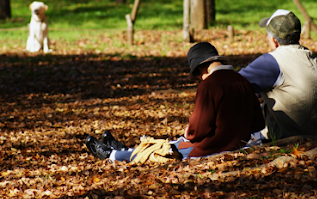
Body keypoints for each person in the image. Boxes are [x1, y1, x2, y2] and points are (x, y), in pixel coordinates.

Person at [85, 42, 265, 162]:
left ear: (202, 67)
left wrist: (189, 134)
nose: (198, 78)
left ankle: (113, 155)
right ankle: (126, 149)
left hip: (212, 148)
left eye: (196, 74)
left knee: (165, 150)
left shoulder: (210, 85)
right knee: (171, 144)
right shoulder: (243, 81)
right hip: (238, 143)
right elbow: (258, 122)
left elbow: (198, 129)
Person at [238, 9, 317, 141]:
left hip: (282, 138)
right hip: (316, 134)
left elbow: (230, 84)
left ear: (274, 40)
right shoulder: (309, 56)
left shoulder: (272, 61)